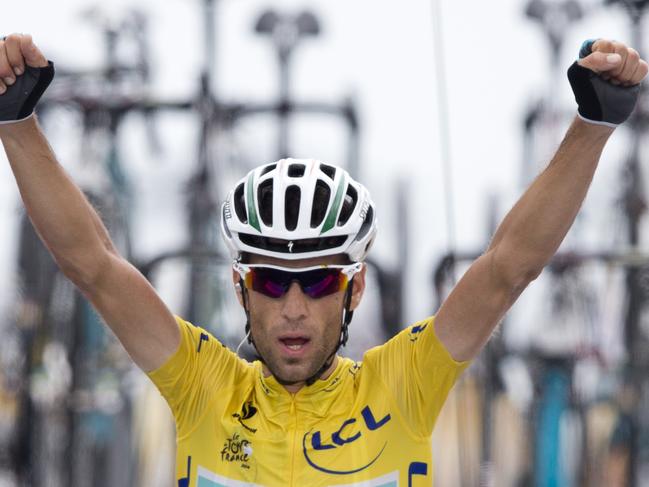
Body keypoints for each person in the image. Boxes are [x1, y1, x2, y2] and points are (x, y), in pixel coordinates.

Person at [0, 32, 645, 486]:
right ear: (240, 288)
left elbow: (509, 267)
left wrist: (592, 126)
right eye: (273, 283)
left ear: (355, 290)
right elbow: (93, 265)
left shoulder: (403, 386)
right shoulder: (204, 388)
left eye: (320, 281)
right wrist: (17, 121)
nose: (294, 309)